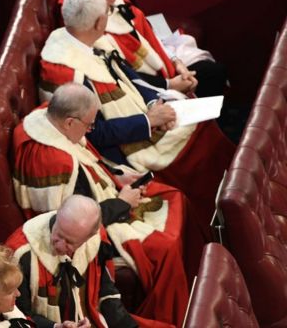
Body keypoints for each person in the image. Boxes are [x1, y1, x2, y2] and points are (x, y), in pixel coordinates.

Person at [39, 0, 235, 230]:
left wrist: (156, 102)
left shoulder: (89, 39)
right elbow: (91, 134)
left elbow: (130, 78)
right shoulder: (67, 72)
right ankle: (226, 213)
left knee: (200, 117)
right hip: (121, 147)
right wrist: (148, 121)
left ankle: (236, 194)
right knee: (201, 138)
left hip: (145, 115)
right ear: (100, 22)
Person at [13, 83, 191, 326]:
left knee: (173, 195)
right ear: (69, 123)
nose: (89, 132)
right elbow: (66, 214)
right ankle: (171, 312)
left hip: (92, 210)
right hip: (87, 217)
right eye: (88, 125)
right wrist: (120, 204)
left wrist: (113, 175)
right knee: (163, 247)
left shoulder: (49, 117)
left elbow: (87, 171)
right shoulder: (52, 160)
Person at [6, 195, 171, 327]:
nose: (60, 246)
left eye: (70, 242)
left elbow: (104, 291)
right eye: (58, 234)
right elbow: (16, 314)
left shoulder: (95, 240)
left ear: (88, 238)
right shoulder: (21, 254)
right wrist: (56, 326)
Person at [68, 0, 227, 99]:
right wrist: (169, 84)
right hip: (139, 89)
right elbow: (116, 75)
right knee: (210, 76)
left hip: (162, 68)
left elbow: (149, 35)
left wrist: (176, 62)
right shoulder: (83, 22)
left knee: (213, 72)